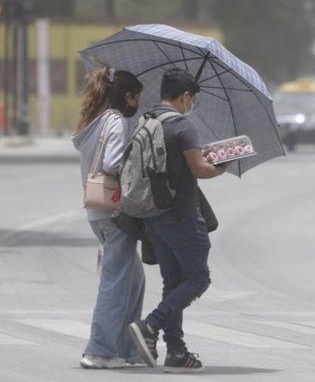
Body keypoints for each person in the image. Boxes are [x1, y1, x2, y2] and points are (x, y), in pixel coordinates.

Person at [128, 68, 231, 373]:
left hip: (153, 216)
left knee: (173, 283)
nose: (192, 104)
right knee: (198, 279)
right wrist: (222, 165)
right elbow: (200, 169)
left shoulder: (147, 120)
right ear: (185, 96)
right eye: (192, 99)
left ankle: (176, 352)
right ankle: (151, 325)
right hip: (183, 216)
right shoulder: (183, 126)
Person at [72, 66, 144, 369]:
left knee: (134, 279)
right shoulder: (115, 123)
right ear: (127, 97)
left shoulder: (95, 120)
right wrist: (138, 155)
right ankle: (99, 350)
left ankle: (127, 348)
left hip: (97, 212)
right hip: (114, 212)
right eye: (136, 98)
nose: (138, 104)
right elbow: (113, 163)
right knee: (116, 280)